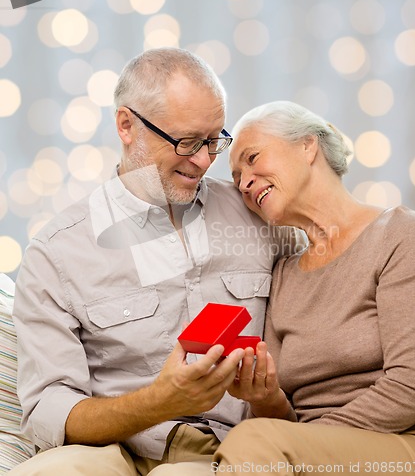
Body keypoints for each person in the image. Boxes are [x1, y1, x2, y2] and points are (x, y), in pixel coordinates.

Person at [10, 51, 304, 475]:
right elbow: (48, 409)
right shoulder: (57, 251)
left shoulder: (260, 218)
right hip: (113, 448)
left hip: (231, 449)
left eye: (213, 141)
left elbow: (330, 270)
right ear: (126, 125)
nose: (203, 161)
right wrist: (159, 402)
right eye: (186, 142)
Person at [206, 100, 415, 475]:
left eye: (252, 158)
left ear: (308, 146)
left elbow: (413, 385)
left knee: (251, 440)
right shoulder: (284, 275)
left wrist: (300, 441)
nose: (243, 182)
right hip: (309, 451)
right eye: (238, 176)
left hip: (400, 442)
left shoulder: (401, 236)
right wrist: (269, 401)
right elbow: (285, 422)